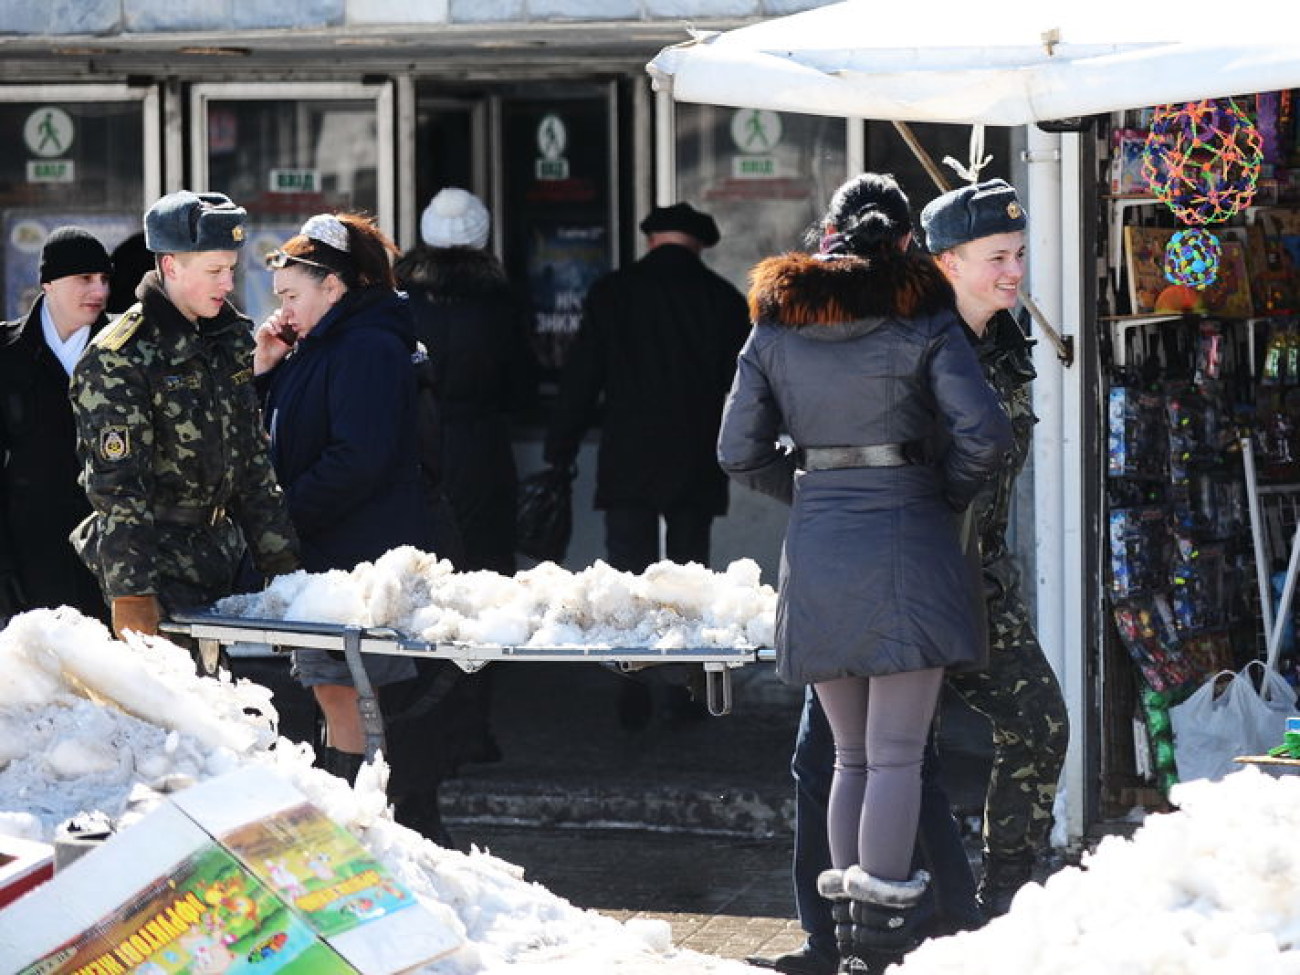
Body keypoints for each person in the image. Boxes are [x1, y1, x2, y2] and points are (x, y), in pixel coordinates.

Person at [718, 172, 1011, 975]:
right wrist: (931, 488)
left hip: (817, 550)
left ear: (828, 237)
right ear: (907, 243)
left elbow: (737, 449)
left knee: (850, 757)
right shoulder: (924, 321)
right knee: (895, 756)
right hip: (911, 541)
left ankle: (847, 940)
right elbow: (985, 436)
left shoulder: (774, 326)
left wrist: (813, 487)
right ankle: (879, 946)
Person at [253, 212, 447, 841]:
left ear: (331, 287)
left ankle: (368, 822)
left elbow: (356, 458)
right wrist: (267, 368)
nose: (281, 308)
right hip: (331, 551)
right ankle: (351, 817)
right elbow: (290, 433)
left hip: (359, 554)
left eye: (290, 295)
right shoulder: (322, 344)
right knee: (334, 689)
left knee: (352, 690)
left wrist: (280, 517)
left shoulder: (364, 345)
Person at [920, 178, 1070, 917]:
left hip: (982, 581)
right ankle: (899, 907)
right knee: (894, 758)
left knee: (1042, 723)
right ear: (947, 262)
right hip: (914, 583)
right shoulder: (913, 344)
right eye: (996, 257)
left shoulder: (1002, 341)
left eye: (1018, 253)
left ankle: (1006, 895)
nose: (1014, 271)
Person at [69, 191, 300, 646]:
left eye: (231, 268)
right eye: (214, 271)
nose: (228, 283)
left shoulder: (227, 338)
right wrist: (132, 594)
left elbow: (252, 463)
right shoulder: (120, 358)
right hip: (153, 564)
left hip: (218, 558)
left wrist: (284, 571)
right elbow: (118, 490)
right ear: (171, 267)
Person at [544, 201, 751, 575]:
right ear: (699, 245)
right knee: (689, 572)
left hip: (628, 452)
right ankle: (685, 630)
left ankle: (630, 630)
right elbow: (739, 384)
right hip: (695, 450)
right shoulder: (722, 298)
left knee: (627, 569)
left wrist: (560, 448)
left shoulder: (613, 293)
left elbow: (582, 379)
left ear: (652, 240)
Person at [395, 187, 537, 575]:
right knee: (487, 564)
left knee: (420, 565)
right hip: (482, 448)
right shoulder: (501, 302)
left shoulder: (400, 302)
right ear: (481, 237)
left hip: (415, 446)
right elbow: (524, 388)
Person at [0, 227, 114, 627]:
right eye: (85, 278)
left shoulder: (127, 348)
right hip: (31, 557)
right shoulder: (8, 352)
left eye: (103, 279)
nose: (98, 290)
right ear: (48, 283)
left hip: (114, 556)